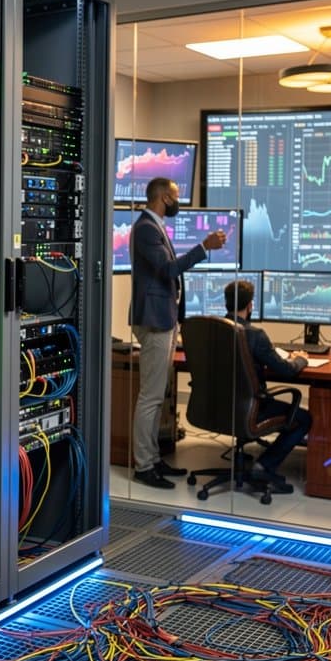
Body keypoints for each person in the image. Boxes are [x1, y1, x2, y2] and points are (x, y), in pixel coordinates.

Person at [129, 177, 226, 488]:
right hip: (154, 320)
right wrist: (203, 247)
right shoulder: (146, 228)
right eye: (176, 194)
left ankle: (154, 459)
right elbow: (168, 270)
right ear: (163, 198)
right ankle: (144, 466)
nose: (178, 200)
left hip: (165, 319)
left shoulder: (154, 226)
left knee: (158, 396)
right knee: (151, 396)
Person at [224, 280, 312, 494]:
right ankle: (264, 465)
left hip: (218, 406)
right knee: (305, 418)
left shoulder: (213, 329)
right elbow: (287, 370)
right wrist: (301, 359)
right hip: (250, 408)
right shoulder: (255, 335)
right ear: (250, 305)